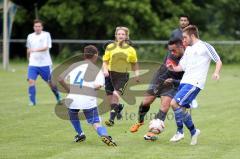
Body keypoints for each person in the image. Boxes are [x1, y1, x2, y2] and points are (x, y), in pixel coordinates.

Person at [168, 25, 222, 145]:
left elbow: (218, 60)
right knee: (181, 108)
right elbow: (182, 67)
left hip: (195, 82)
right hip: (185, 82)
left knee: (174, 103)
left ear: (192, 36)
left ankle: (179, 132)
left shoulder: (204, 46)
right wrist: (174, 68)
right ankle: (193, 131)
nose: (183, 40)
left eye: (185, 37)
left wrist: (216, 73)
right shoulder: (188, 49)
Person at [58, 45, 117, 146]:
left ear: (84, 55)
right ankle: (104, 134)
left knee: (72, 113)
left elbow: (60, 78)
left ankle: (80, 133)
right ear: (96, 55)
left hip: (73, 98)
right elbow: (97, 86)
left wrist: (69, 90)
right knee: (95, 122)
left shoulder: (75, 65)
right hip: (88, 100)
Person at [129, 38, 185, 141]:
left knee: (165, 105)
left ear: (181, 47)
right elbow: (166, 69)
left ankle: (152, 132)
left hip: (173, 82)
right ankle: (140, 121)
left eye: (174, 50)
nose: (171, 53)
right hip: (160, 78)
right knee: (146, 102)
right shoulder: (172, 53)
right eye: (170, 50)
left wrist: (174, 81)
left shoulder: (189, 56)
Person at [102, 26, 139, 126]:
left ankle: (111, 120)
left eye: (123, 34)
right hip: (109, 74)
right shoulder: (110, 47)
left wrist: (136, 75)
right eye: (119, 34)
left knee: (115, 95)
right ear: (115, 36)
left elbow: (134, 63)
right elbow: (105, 61)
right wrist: (105, 71)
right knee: (111, 100)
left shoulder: (131, 50)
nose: (121, 36)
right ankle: (118, 107)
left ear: (126, 36)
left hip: (122, 75)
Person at [26, 19, 61, 106]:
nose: (37, 28)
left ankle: (58, 96)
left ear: (42, 27)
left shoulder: (46, 35)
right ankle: (32, 102)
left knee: (50, 84)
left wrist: (34, 50)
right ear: (33, 27)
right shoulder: (30, 36)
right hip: (33, 64)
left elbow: (46, 47)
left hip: (45, 64)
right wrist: (28, 58)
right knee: (31, 81)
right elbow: (28, 49)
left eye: (39, 26)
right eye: (36, 26)